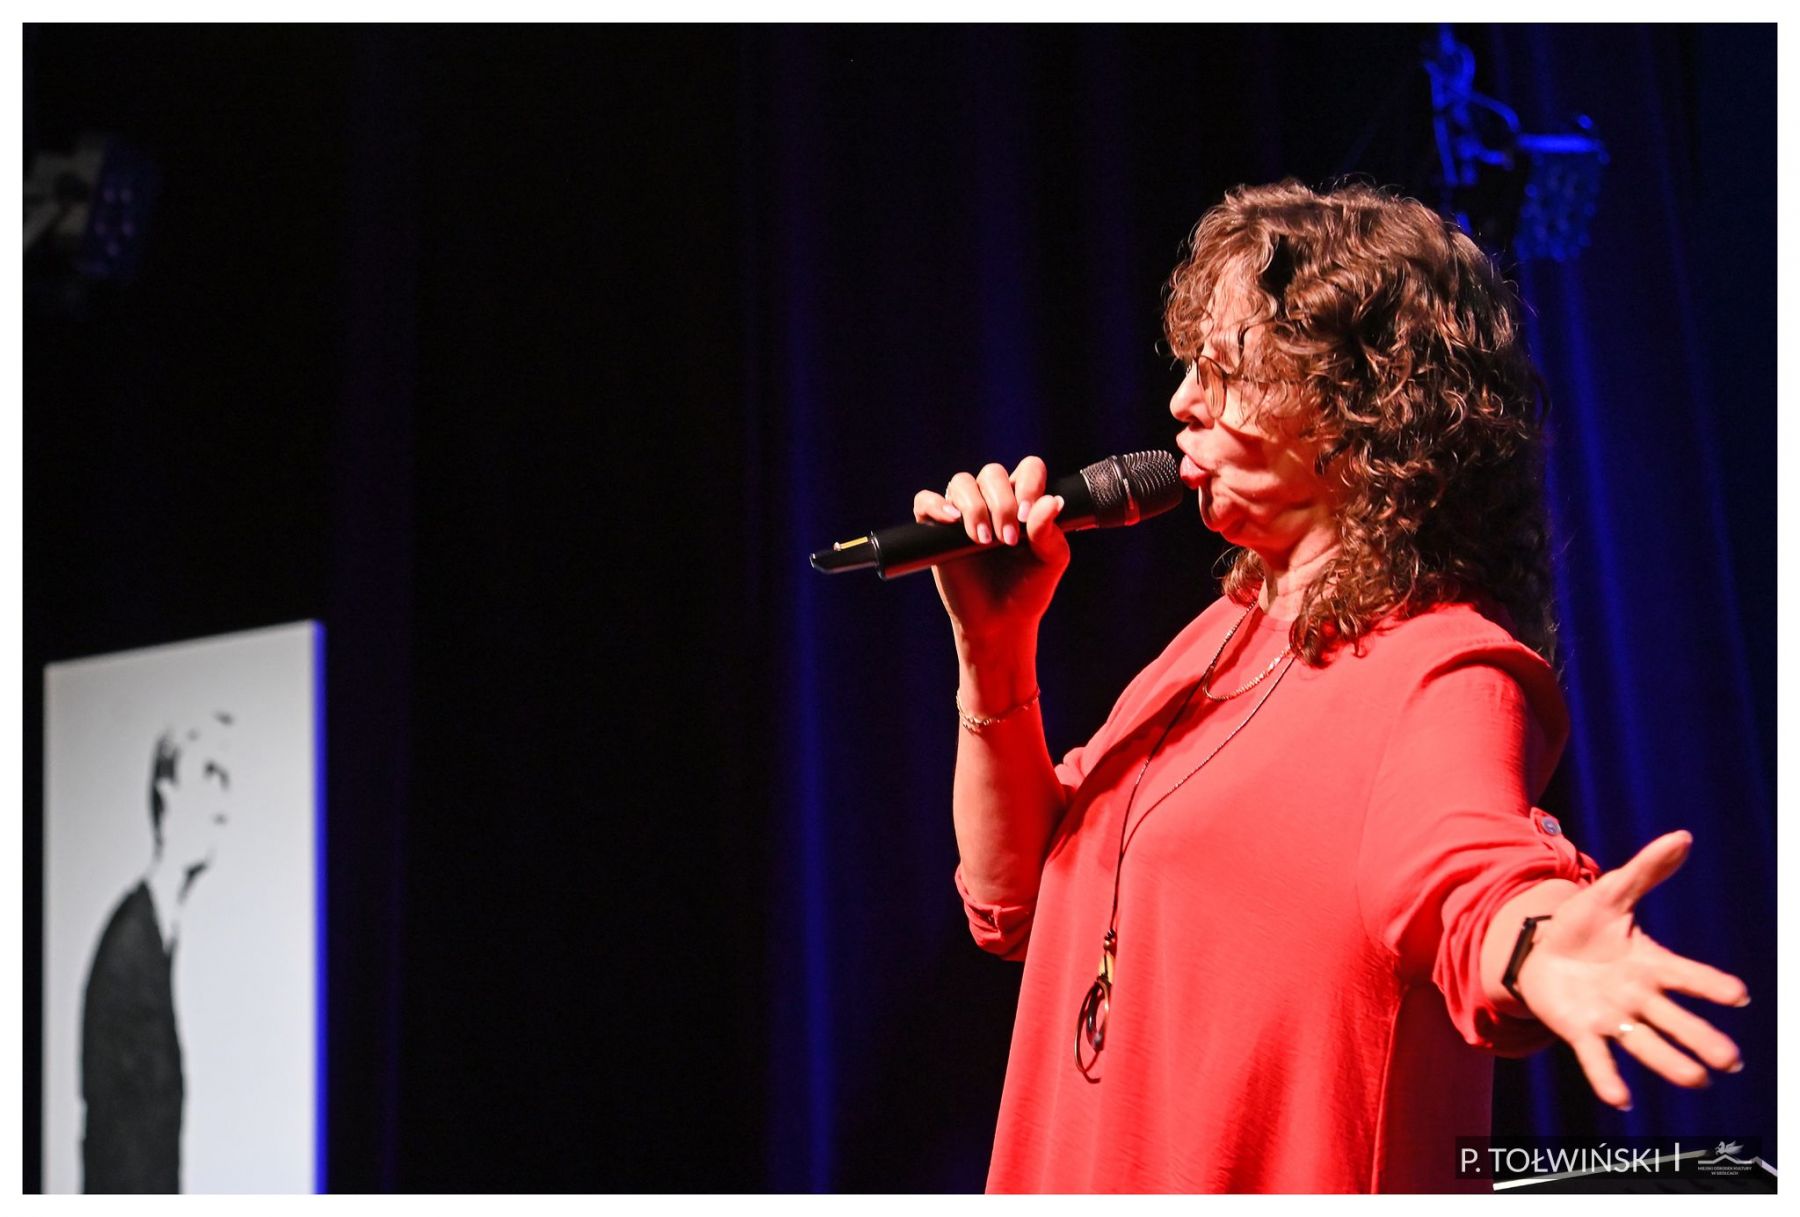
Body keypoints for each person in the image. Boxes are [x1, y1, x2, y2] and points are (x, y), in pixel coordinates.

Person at [911, 181, 1749, 1193]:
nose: (1181, 402)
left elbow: (1465, 865)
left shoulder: (1444, 667)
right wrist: (994, 648)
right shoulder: (1217, 639)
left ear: (1361, 408)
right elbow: (1013, 901)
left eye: (1225, 369)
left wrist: (1535, 939)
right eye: (1189, 364)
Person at [80, 712, 234, 1193]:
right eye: (209, 776)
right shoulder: (130, 947)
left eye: (226, 782)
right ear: (167, 795)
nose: (223, 807)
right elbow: (119, 1148)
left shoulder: (161, 933)